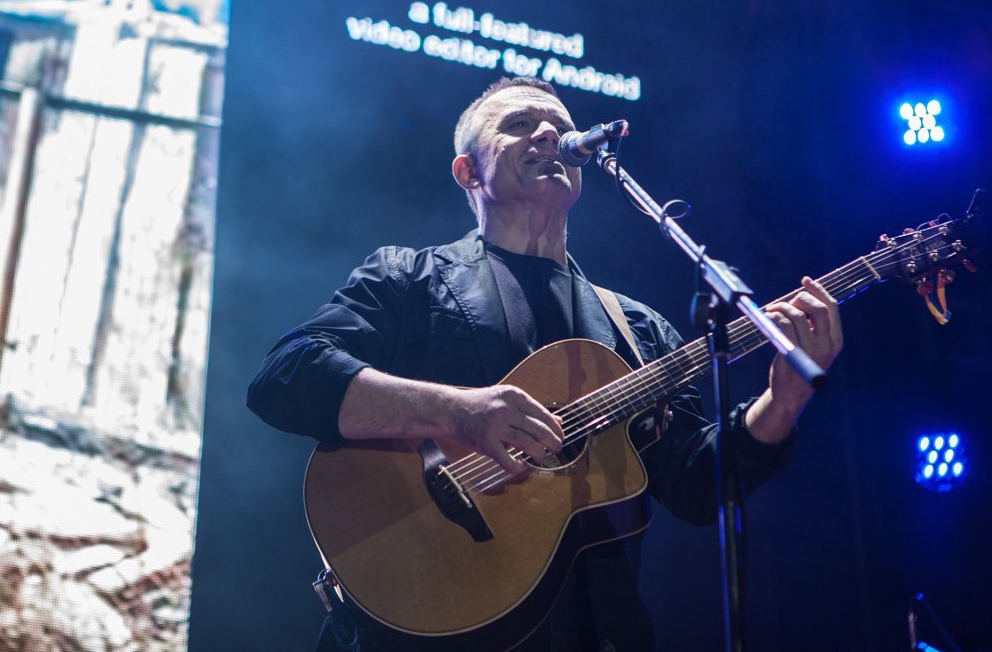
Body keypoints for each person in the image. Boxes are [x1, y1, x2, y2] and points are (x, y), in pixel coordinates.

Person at [247, 76, 843, 651]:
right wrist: (457, 412)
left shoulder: (635, 329)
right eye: (519, 125)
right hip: (414, 622)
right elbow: (286, 375)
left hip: (594, 627)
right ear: (467, 170)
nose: (548, 136)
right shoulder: (409, 277)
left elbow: (697, 487)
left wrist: (782, 402)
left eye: (560, 128)